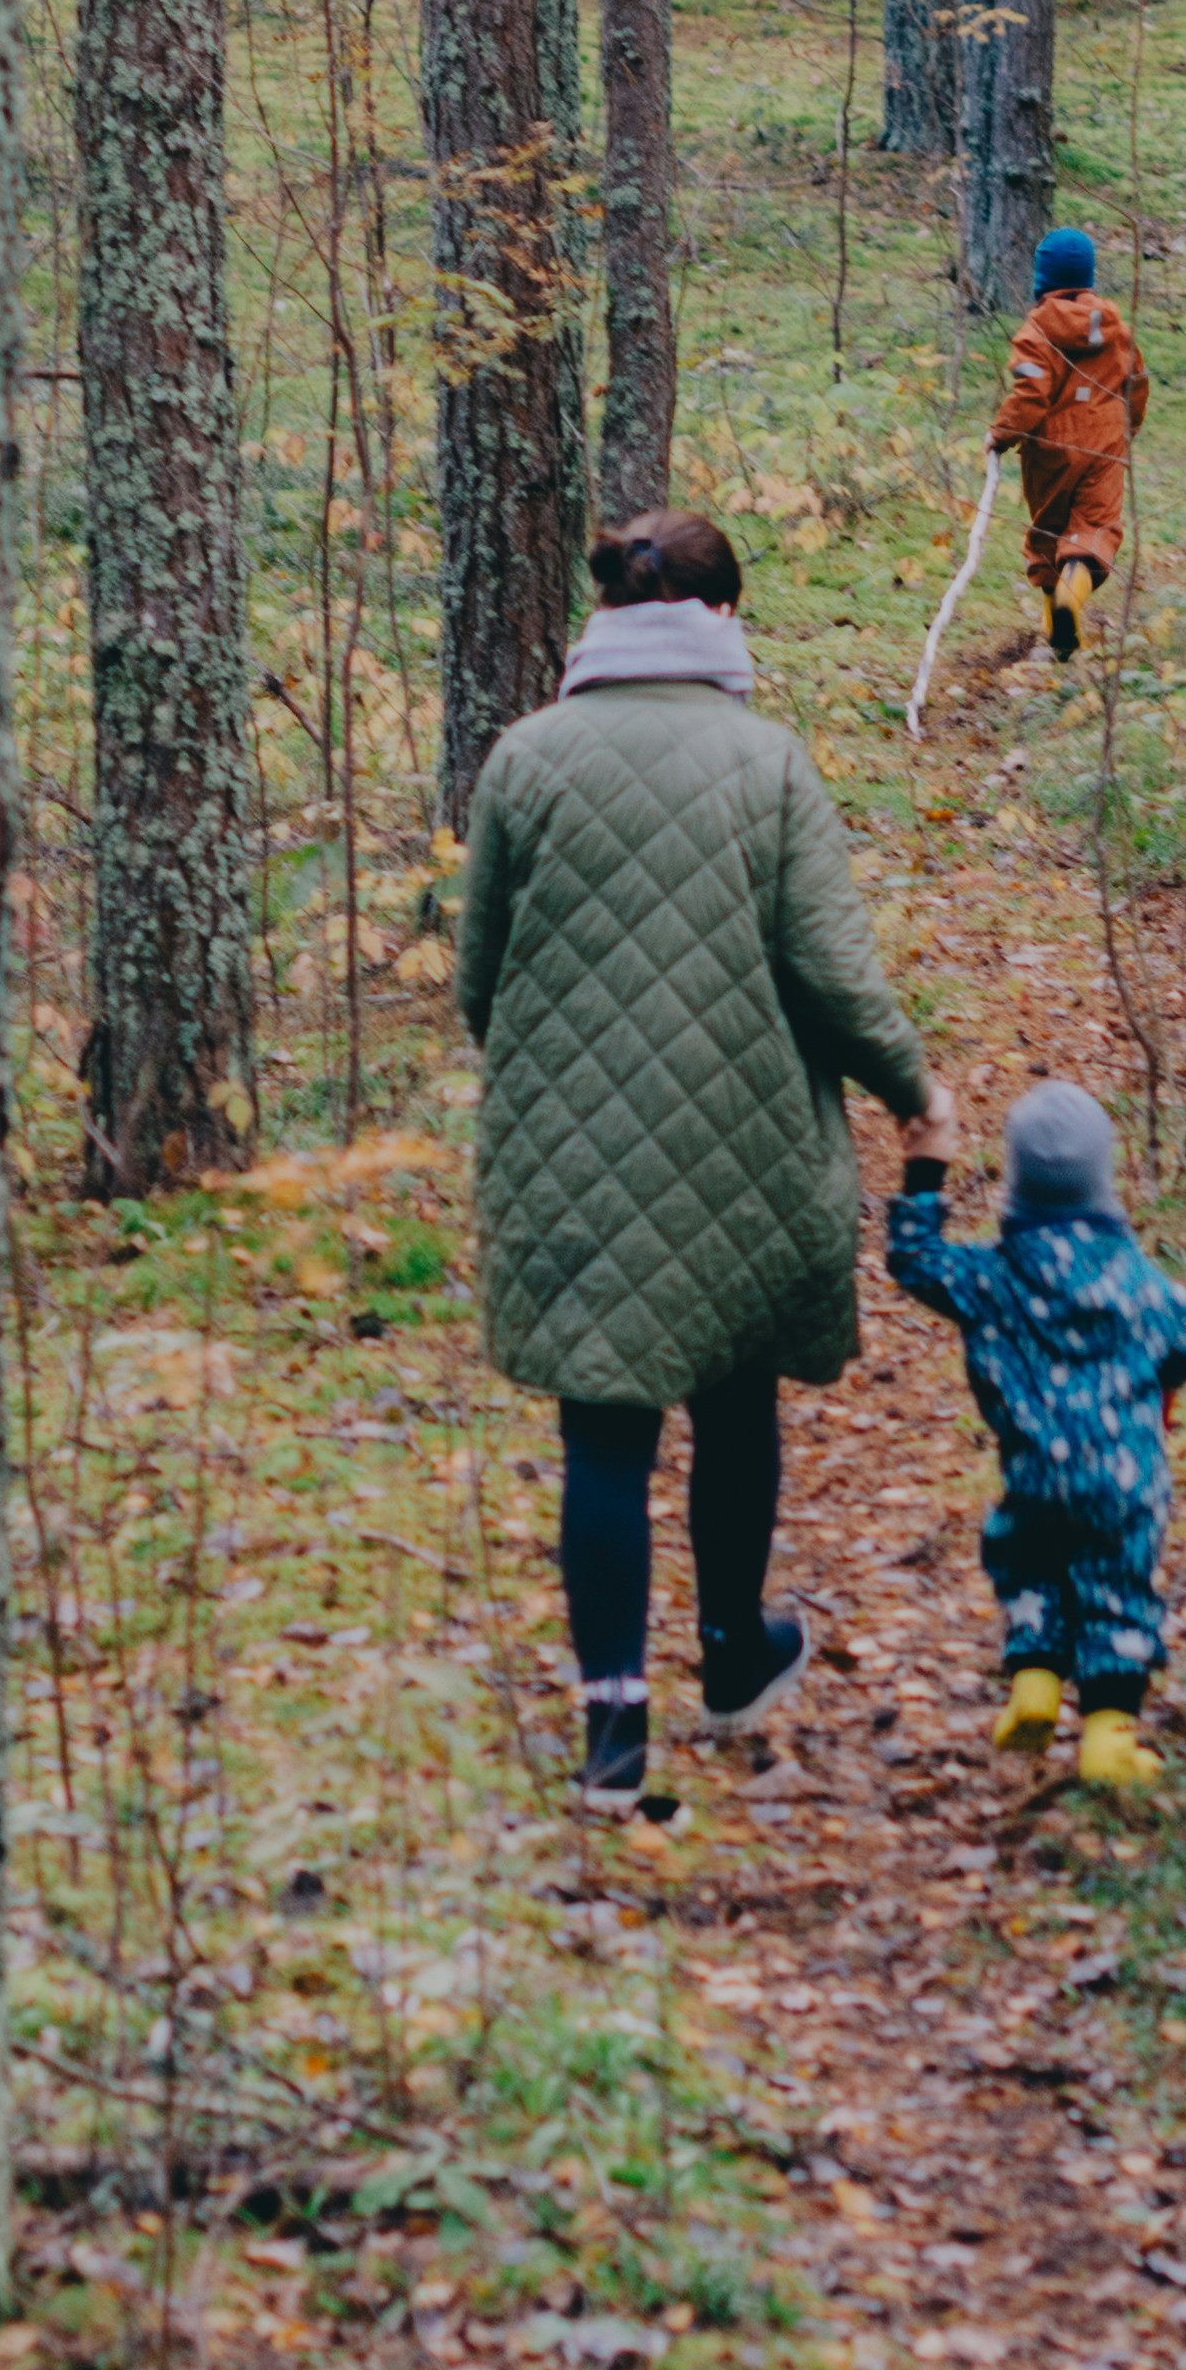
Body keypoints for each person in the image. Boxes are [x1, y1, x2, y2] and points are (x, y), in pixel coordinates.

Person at [458, 507, 935, 1815]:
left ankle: (614, 1737)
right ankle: (731, 1659)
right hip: (746, 1145)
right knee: (734, 1403)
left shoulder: (526, 759)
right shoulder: (766, 761)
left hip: (568, 1149)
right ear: (720, 620)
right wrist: (912, 1089)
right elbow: (832, 977)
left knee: (601, 1433)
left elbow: (479, 983)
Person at [887, 1074, 1186, 1798]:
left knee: (1029, 1565)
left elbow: (915, 1261)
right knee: (1117, 1589)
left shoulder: (990, 1276)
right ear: (1104, 1178)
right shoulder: (1135, 1277)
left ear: (1015, 1183)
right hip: (1126, 1480)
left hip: (1033, 1474)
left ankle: (1034, 1684)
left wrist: (924, 1169)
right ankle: (1108, 1737)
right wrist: (1158, 1378)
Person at [990, 223, 1148, 660]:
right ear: (1088, 275)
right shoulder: (1115, 328)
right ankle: (1067, 606)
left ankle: (1054, 632)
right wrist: (1127, 427)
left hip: (1050, 451)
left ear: (1043, 280)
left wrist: (1003, 433)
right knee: (1092, 531)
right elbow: (1137, 381)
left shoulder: (1036, 332)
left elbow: (1030, 394)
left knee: (1047, 535)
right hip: (1105, 444)